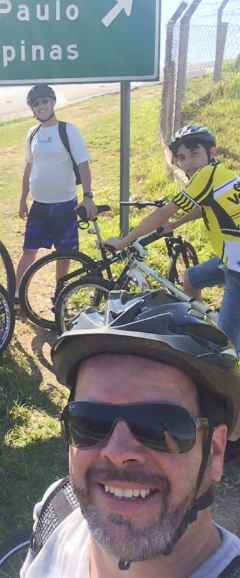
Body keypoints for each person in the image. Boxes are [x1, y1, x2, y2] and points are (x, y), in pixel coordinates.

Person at [22, 290, 240, 578]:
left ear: (214, 451)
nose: (118, 451)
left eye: (160, 425)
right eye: (89, 420)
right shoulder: (57, 511)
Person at [104, 124, 240, 460]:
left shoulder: (208, 174)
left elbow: (167, 208)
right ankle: (202, 324)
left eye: (193, 153)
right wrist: (170, 227)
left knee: (228, 352)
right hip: (228, 257)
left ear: (211, 153)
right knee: (192, 276)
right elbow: (194, 209)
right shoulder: (221, 174)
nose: (188, 162)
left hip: (238, 268)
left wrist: (124, 241)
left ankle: (234, 438)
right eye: (181, 157)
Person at [14, 84, 97, 302]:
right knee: (28, 251)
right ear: (32, 109)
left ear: (52, 103)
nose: (41, 106)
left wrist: (88, 196)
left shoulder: (68, 130)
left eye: (44, 101)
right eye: (36, 103)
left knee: (64, 253)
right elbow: (28, 168)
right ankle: (14, 294)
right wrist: (23, 199)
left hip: (65, 205)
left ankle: (59, 293)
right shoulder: (32, 134)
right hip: (39, 205)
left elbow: (83, 164)